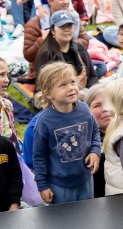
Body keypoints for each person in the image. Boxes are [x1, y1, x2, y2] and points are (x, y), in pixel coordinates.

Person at [32, 62, 101, 204]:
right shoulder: (44, 122)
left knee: (87, 218)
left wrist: (95, 151)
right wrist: (42, 185)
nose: (71, 88)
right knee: (63, 223)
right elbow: (39, 156)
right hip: (59, 186)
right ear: (48, 93)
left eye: (72, 82)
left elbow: (95, 131)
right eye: (63, 85)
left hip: (85, 179)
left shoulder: (84, 110)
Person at [36, 10, 97, 88]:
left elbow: (93, 76)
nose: (67, 29)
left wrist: (91, 94)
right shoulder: (47, 55)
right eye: (62, 26)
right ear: (52, 30)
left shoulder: (79, 48)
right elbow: (43, 87)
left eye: (69, 25)